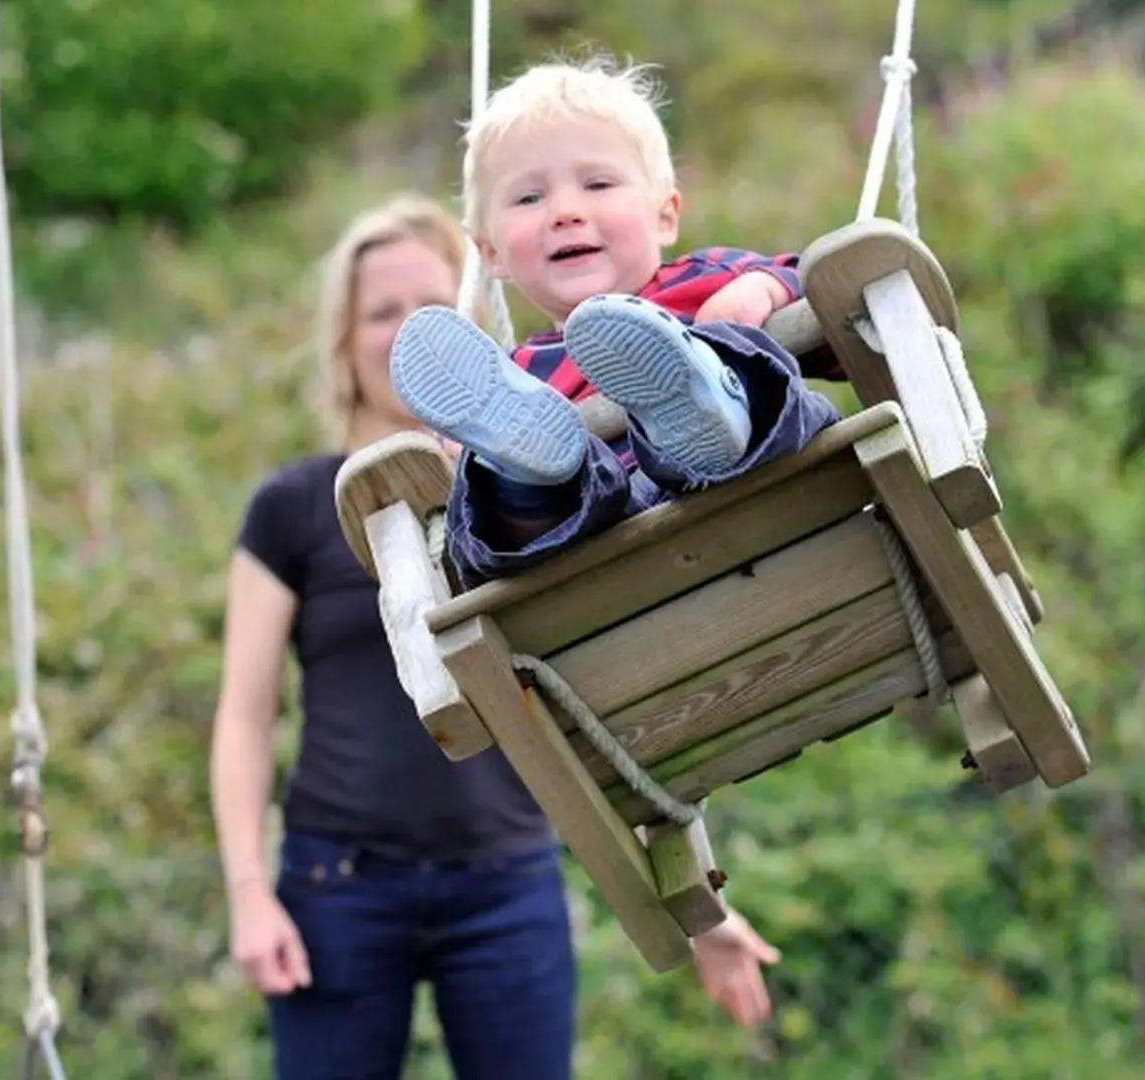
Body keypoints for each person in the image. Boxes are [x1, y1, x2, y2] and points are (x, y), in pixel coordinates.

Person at [210, 192, 783, 1080]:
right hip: (339, 887)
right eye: (382, 313)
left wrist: (699, 908)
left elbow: (590, 709)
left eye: (430, 309)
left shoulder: (519, 507)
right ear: (343, 340)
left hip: (507, 882)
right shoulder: (294, 506)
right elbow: (244, 717)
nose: (404, 331)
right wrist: (250, 895)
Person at [387, 55, 849, 590]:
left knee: (758, 374)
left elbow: (838, 318)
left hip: (761, 492)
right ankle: (524, 477)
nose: (564, 210)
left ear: (665, 214)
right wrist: (464, 456)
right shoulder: (516, 375)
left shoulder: (708, 281)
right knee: (499, 507)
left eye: (599, 184)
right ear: (490, 253)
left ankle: (713, 400)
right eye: (529, 197)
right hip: (606, 560)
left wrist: (768, 287)